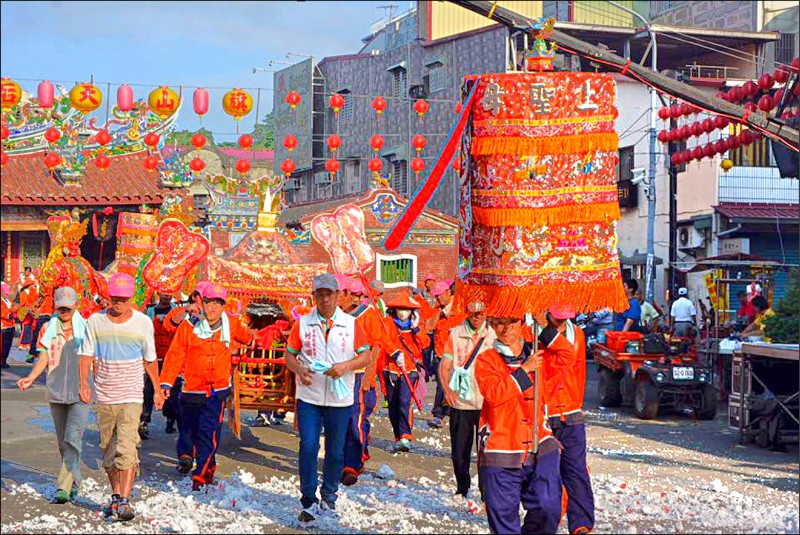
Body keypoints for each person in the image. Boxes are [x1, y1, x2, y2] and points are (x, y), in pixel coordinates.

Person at [284, 273, 371, 524]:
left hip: (339, 398)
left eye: (329, 294)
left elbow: (365, 356)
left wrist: (345, 367)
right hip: (309, 396)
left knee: (335, 451)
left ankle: (329, 496)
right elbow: (290, 355)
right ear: (314, 297)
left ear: (337, 296)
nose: (324, 299)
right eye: (319, 294)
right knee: (308, 446)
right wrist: (299, 369)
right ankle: (308, 499)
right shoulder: (302, 324)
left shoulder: (351, 324)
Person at [78, 273, 163, 522]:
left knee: (126, 448)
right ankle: (116, 495)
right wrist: (83, 384)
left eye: (123, 299)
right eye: (115, 298)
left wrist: (157, 390)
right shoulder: (95, 321)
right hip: (105, 395)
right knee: (108, 451)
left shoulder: (143, 323)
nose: (119, 303)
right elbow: (86, 355)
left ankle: (125, 499)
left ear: (131, 298)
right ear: (108, 296)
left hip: (132, 395)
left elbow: (150, 360)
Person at [475, 314, 564, 534]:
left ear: (522, 323)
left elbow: (566, 355)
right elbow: (495, 394)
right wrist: (525, 370)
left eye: (511, 322)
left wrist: (543, 323)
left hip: (539, 443)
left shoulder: (538, 353)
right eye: (498, 323)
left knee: (549, 507)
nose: (505, 329)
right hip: (501, 447)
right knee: (502, 518)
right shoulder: (486, 360)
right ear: (492, 327)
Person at [160, 284, 253, 490]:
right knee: (192, 430)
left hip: (216, 391)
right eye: (210, 303)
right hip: (192, 389)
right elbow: (176, 354)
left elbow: (248, 338)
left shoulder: (233, 324)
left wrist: (252, 339)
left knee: (208, 432)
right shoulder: (188, 326)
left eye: (218, 304)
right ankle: (206, 465)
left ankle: (200, 476)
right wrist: (166, 382)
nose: (213, 308)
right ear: (203, 302)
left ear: (223, 306)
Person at [16, 287, 92, 504]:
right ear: (55, 306)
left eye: (68, 307)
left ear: (76, 305)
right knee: (63, 442)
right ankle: (75, 480)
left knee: (72, 437)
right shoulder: (48, 328)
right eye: (61, 307)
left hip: (81, 391)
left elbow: (95, 358)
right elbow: (43, 357)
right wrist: (31, 378)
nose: (65, 311)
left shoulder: (86, 328)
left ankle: (64, 487)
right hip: (57, 389)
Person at [541, 305, 594, 535]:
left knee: (576, 470)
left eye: (565, 319)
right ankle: (547, 520)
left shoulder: (578, 334)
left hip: (570, 410)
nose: (561, 323)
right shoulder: (534, 334)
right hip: (546, 411)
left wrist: (576, 403)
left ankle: (581, 523)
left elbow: (579, 369)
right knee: (547, 473)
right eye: (557, 318)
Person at [340, 278, 399, 486]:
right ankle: (347, 457)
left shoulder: (368, 315)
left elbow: (376, 346)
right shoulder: (334, 315)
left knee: (356, 417)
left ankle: (352, 462)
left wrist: (369, 374)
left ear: (351, 296)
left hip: (358, 373)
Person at [438, 299, 495, 512]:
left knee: (486, 451)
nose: (477, 316)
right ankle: (462, 487)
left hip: (486, 402)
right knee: (459, 451)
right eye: (473, 312)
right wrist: (447, 389)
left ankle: (486, 490)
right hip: (461, 402)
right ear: (467, 312)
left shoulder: (493, 335)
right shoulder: (456, 334)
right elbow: (445, 364)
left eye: (481, 312)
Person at [382, 291, 430, 453]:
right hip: (391, 369)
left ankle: (405, 436)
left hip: (410, 370)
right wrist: (395, 352)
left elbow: (425, 344)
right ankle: (398, 436)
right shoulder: (388, 323)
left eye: (406, 309)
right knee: (393, 405)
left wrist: (416, 329)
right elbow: (383, 339)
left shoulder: (416, 325)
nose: (402, 312)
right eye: (399, 309)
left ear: (412, 311)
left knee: (404, 402)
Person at [139, 292, 182, 439]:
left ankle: (171, 418)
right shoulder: (149, 311)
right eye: (164, 292)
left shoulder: (177, 311)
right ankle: (144, 421)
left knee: (172, 392)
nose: (167, 296)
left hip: (172, 358)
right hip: (153, 358)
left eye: (170, 293)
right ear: (158, 293)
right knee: (148, 391)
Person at [429, 281, 464, 429]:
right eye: (435, 297)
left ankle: (449, 411)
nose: (437, 299)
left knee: (456, 384)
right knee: (441, 384)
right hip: (440, 354)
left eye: (439, 296)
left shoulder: (460, 309)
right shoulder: (436, 310)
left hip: (457, 355)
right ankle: (438, 414)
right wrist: (438, 313)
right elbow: (429, 327)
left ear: (447, 293)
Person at [2, 282, 17, 368]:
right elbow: (3, 312)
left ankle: (4, 361)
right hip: (3, 326)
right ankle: (2, 361)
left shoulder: (8, 301)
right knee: (3, 346)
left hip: (11, 326)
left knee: (8, 345)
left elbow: (14, 310)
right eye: (6, 292)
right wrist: (11, 312)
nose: (8, 294)